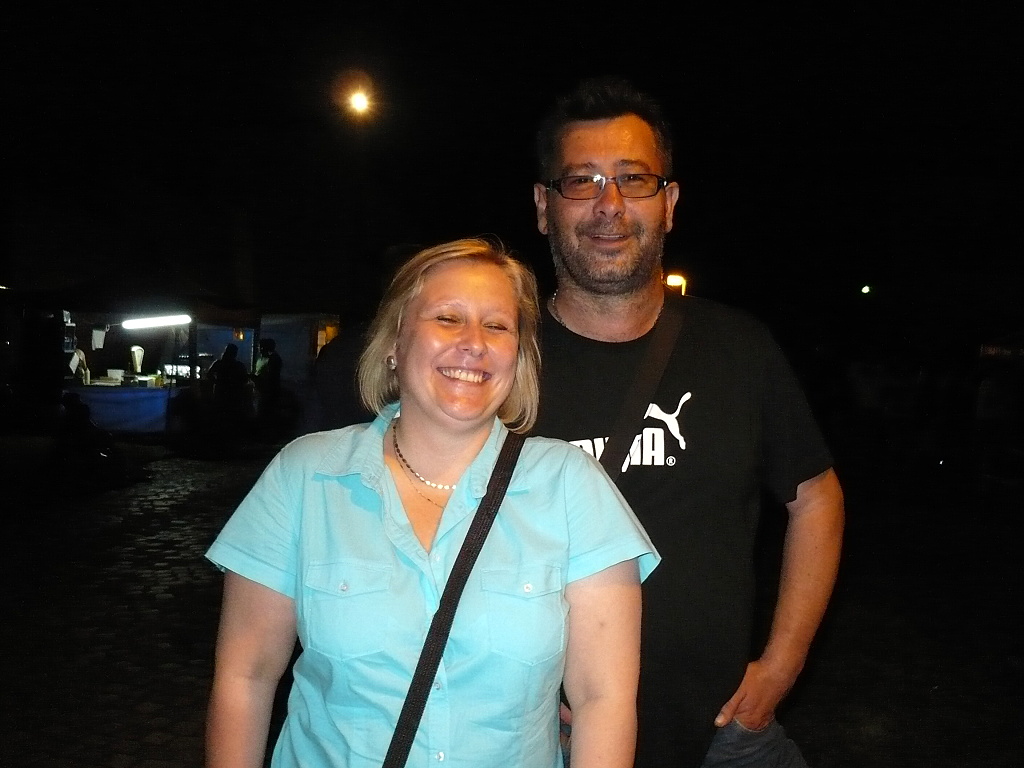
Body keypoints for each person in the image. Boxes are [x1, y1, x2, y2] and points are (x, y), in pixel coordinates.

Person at [205, 238, 660, 768]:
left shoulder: (572, 486)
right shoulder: (304, 476)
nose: (474, 344)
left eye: (497, 326)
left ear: (518, 357)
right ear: (395, 342)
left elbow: (603, 701)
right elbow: (245, 677)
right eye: (447, 318)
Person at [530, 78, 845, 767]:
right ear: (544, 207)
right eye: (581, 181)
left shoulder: (739, 349)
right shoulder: (500, 363)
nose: (609, 205)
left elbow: (816, 496)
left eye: (633, 180)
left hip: (724, 734)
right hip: (551, 740)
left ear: (669, 204)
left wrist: (783, 664)